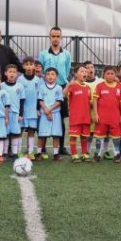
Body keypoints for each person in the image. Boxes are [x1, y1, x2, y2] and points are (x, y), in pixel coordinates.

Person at [38, 27, 72, 155]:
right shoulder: (43, 54)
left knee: (61, 118)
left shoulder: (66, 54)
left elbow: (67, 69)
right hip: (46, 89)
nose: (56, 38)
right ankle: (43, 148)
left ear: (61, 38)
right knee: (44, 116)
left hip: (61, 88)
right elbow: (41, 70)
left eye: (58, 36)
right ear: (49, 37)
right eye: (53, 36)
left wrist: (61, 83)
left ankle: (61, 147)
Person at [92, 66, 121, 163]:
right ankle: (97, 154)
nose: (110, 76)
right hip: (102, 117)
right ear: (104, 75)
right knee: (99, 137)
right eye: (108, 73)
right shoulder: (100, 86)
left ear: (115, 75)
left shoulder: (119, 87)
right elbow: (95, 101)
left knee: (116, 137)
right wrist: (96, 114)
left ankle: (117, 154)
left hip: (115, 117)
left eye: (112, 74)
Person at [63, 64, 92, 163]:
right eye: (82, 71)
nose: (84, 73)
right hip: (75, 117)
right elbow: (64, 95)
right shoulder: (73, 85)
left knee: (84, 137)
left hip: (86, 117)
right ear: (75, 74)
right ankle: (74, 154)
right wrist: (69, 85)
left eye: (85, 71)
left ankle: (84, 154)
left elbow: (91, 102)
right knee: (73, 137)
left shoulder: (88, 87)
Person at [37, 67, 64, 161]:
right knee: (42, 135)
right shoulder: (42, 87)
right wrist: (46, 110)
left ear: (56, 76)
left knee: (56, 135)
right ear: (45, 76)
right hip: (44, 113)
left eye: (52, 74)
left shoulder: (59, 88)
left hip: (55, 113)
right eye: (48, 74)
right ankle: (38, 153)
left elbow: (59, 101)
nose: (50, 76)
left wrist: (50, 110)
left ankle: (56, 154)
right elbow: (40, 100)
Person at [17, 57, 41, 158]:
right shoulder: (20, 80)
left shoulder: (38, 80)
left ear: (34, 66)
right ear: (23, 66)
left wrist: (38, 109)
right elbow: (17, 96)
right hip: (22, 110)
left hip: (33, 110)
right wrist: (19, 112)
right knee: (20, 131)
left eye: (31, 64)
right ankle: (17, 151)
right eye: (27, 65)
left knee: (31, 131)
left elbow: (40, 96)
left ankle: (30, 152)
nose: (29, 67)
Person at [2, 64, 25, 158]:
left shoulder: (20, 86)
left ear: (17, 75)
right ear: (5, 73)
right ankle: (4, 152)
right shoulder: (1, 85)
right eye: (10, 72)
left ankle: (15, 153)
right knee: (5, 134)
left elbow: (22, 101)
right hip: (4, 114)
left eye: (14, 72)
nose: (12, 74)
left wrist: (21, 114)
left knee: (15, 134)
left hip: (15, 114)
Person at [84, 61, 104, 156]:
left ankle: (99, 152)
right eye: (87, 68)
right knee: (89, 133)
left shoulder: (101, 82)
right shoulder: (81, 83)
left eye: (91, 67)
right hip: (87, 112)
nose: (90, 69)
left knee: (100, 133)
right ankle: (87, 151)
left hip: (99, 112)